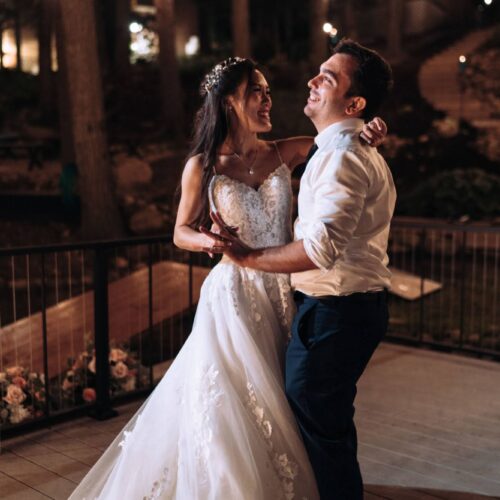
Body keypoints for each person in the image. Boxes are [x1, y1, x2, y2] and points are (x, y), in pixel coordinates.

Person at [69, 56, 386, 500]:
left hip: (285, 287)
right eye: (257, 91)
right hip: (234, 294)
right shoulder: (203, 166)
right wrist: (210, 242)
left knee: (290, 399)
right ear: (229, 102)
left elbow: (339, 144)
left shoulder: (287, 150)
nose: (267, 100)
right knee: (233, 400)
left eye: (268, 92)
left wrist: (371, 130)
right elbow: (179, 231)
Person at [211, 40, 396, 499]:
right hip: (327, 307)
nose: (312, 81)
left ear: (353, 103)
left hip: (337, 310)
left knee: (320, 426)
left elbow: (320, 249)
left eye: (327, 78)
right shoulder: (341, 147)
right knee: (324, 424)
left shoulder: (342, 155)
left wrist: (246, 257)